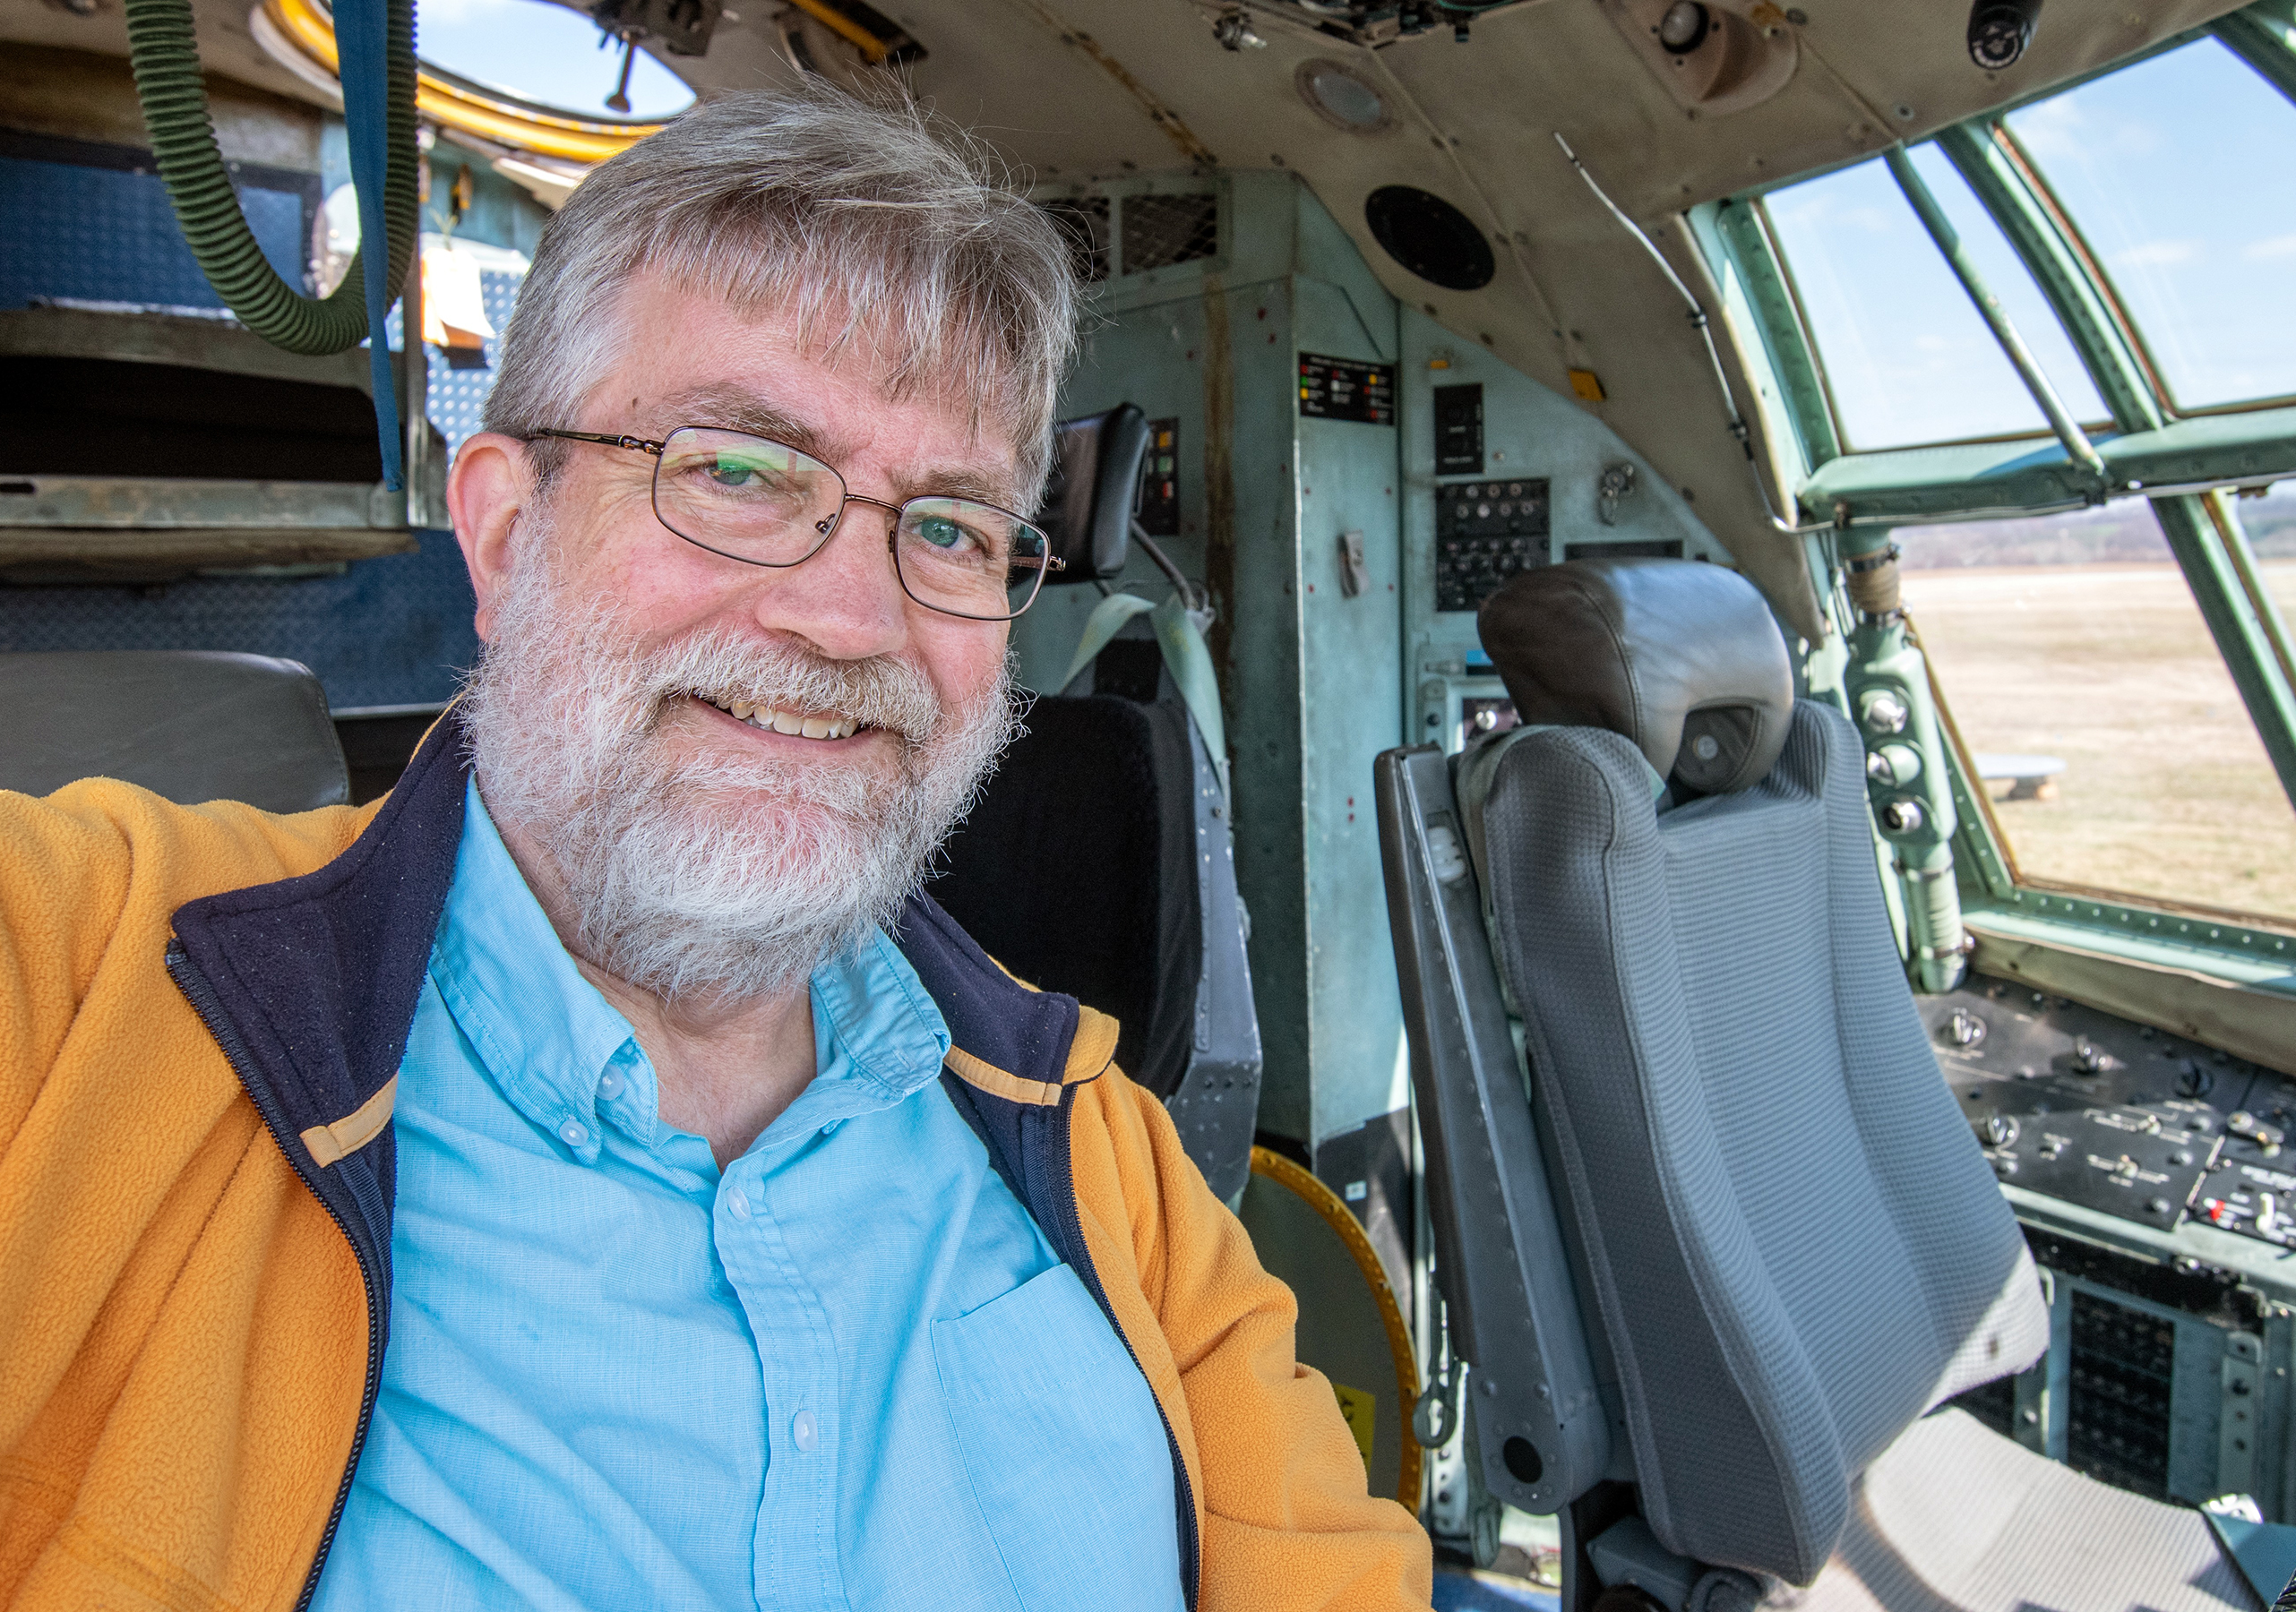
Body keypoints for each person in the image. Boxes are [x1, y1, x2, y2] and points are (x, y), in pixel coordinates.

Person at [0, 86, 1432, 1611]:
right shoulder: (89, 983)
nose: (849, 619)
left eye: (946, 525)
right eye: (739, 474)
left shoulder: (1103, 1154)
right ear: (502, 533)